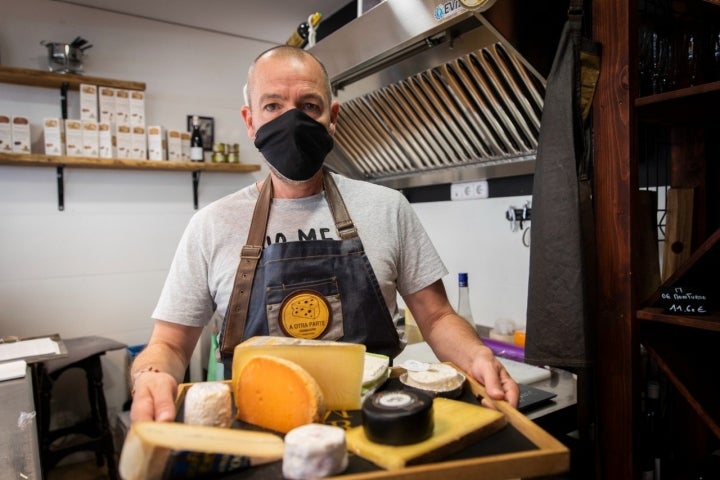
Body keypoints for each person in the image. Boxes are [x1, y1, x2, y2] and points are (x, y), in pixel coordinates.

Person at [130, 45, 519, 423]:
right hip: (261, 424)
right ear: (250, 121)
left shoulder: (387, 208)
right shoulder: (211, 225)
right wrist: (152, 376)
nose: (291, 121)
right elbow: (169, 344)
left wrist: (476, 356)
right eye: (273, 106)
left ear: (332, 118)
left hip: (377, 420)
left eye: (309, 106)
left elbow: (436, 319)